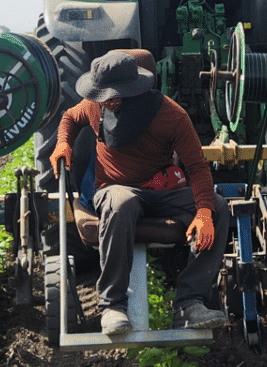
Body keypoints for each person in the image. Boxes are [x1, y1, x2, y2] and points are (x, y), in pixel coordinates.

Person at [50, 51, 231, 335]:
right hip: (114, 188)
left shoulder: (170, 115)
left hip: (161, 190)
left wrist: (205, 212)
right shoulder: (96, 106)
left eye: (113, 95)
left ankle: (189, 303)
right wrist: (63, 143)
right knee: (121, 203)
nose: (106, 100)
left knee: (219, 208)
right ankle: (112, 305)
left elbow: (197, 167)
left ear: (133, 90)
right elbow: (70, 118)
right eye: (101, 94)